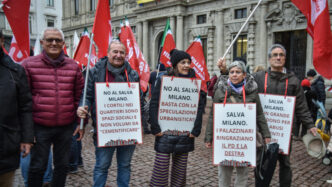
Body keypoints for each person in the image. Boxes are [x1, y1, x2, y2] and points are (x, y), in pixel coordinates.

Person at [22, 27, 84, 187]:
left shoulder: (73, 66)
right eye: (50, 40)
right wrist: (27, 132)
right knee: (37, 166)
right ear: (42, 42)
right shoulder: (28, 65)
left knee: (62, 166)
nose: (54, 43)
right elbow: (23, 101)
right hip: (39, 126)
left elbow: (79, 96)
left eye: (57, 40)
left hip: (65, 127)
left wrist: (79, 121)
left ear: (63, 43)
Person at [77, 40, 143, 187]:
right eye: (115, 52)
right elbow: (86, 95)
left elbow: (140, 100)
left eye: (122, 52)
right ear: (107, 54)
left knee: (125, 165)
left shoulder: (132, 74)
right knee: (102, 166)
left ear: (126, 55)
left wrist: (141, 125)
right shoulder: (94, 72)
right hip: (105, 129)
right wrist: (82, 107)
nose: (118, 55)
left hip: (128, 130)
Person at [253, 44, 317, 187]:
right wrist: (224, 70)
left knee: (285, 163)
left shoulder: (294, 81)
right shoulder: (258, 78)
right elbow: (237, 83)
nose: (278, 57)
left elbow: (302, 106)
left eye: (281, 55)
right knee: (262, 161)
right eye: (275, 55)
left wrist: (310, 125)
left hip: (284, 130)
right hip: (263, 129)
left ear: (285, 59)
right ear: (269, 59)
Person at [204, 60, 271, 187]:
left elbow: (259, 114)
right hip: (225, 139)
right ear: (228, 74)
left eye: (238, 72)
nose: (234, 74)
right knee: (224, 172)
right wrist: (209, 137)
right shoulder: (220, 92)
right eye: (232, 72)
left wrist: (266, 134)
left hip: (244, 140)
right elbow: (213, 115)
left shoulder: (252, 91)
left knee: (243, 172)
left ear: (244, 75)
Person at [149, 49, 205, 186]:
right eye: (183, 62)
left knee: (180, 173)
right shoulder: (164, 80)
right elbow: (154, 104)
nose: (187, 65)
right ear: (175, 65)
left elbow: (199, 108)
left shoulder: (195, 83)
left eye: (188, 62)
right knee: (160, 171)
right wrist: (155, 127)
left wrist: (196, 129)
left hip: (185, 134)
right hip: (165, 132)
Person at [0, 30, 34, 187]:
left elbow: (25, 107)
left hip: (5, 145)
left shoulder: (15, 71)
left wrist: (27, 138)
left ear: (1, 41)